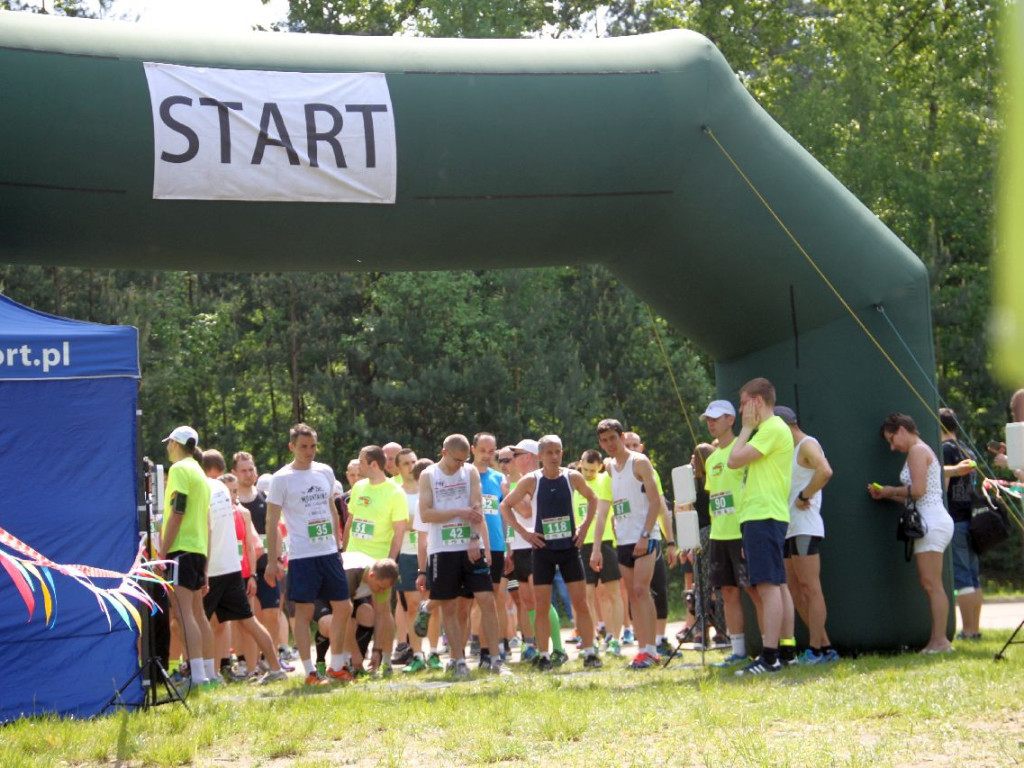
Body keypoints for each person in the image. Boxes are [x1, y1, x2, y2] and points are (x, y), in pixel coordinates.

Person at [503, 435, 602, 670]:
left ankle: (590, 652)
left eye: (558, 452)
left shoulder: (572, 477)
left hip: (569, 547)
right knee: (541, 604)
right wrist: (525, 534)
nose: (554, 457)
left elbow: (593, 498)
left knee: (581, 603)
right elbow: (505, 505)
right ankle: (544, 655)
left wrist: (584, 527)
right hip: (543, 550)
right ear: (540, 456)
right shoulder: (532, 480)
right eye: (549, 452)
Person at [265, 423, 353, 685]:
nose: (309, 451)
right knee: (303, 614)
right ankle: (310, 672)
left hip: (329, 552)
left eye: (313, 446)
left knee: (344, 607)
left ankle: (336, 665)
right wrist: (273, 560)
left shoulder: (325, 471)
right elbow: (271, 521)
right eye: (303, 447)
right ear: (292, 447)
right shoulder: (281, 478)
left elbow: (332, 508)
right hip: (302, 556)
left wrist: (338, 545)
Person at [869, 413, 954, 653]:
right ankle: (937, 640)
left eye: (892, 439)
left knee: (932, 584)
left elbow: (917, 491)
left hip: (931, 522)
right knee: (930, 583)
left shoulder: (917, 451)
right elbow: (915, 496)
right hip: (927, 520)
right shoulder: (919, 450)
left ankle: (940, 641)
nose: (892, 446)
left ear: (903, 430)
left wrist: (890, 490)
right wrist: (887, 494)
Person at [419, 434, 503, 677]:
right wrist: (457, 511)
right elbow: (426, 514)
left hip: (469, 547)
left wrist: (476, 540)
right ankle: (458, 661)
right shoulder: (429, 475)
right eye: (457, 460)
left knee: (487, 599)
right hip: (442, 549)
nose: (461, 465)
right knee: (450, 606)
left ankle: (495, 659)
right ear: (444, 453)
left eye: (465, 460)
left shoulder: (470, 473)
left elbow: (477, 509)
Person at [200, 451, 287, 685]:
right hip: (232, 570)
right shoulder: (229, 499)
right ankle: (275, 668)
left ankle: (206, 676)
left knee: (201, 622)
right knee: (249, 621)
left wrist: (202, 569)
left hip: (215, 570)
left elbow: (208, 531)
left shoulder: (205, 490)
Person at [727, 379, 795, 675]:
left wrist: (744, 429)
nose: (741, 410)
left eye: (743, 403)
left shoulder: (770, 429)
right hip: (765, 515)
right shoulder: (772, 430)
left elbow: (733, 459)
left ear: (756, 401)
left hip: (764, 515)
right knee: (777, 584)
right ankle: (786, 650)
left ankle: (770, 657)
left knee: (768, 586)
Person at [590, 419, 663, 669]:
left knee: (643, 591)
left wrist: (645, 534)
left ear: (621, 436)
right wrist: (597, 547)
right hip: (623, 539)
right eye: (604, 440)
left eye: (613, 437)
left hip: (645, 536)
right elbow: (603, 511)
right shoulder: (609, 468)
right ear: (600, 443)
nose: (610, 443)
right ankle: (642, 650)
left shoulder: (639, 462)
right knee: (632, 594)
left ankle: (652, 649)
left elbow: (655, 502)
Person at [774, 406, 838, 664]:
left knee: (810, 587)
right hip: (788, 527)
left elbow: (825, 471)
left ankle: (816, 648)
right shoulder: (787, 451)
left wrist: (805, 495)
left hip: (805, 526)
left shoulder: (807, 444)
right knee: (793, 588)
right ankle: (823, 645)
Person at [156, 426, 214, 688]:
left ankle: (197, 676)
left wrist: (162, 551)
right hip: (197, 548)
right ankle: (208, 672)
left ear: (176, 444)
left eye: (169, 443)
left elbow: (177, 511)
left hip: (181, 548)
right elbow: (205, 521)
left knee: (182, 613)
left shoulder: (180, 470)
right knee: (198, 614)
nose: (167, 447)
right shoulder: (200, 473)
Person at [344, 445, 408, 674]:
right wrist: (343, 550)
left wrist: (389, 563)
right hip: (352, 560)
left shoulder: (395, 492)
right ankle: (351, 660)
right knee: (347, 610)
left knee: (382, 610)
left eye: (361, 463)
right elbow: (351, 521)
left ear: (373, 464)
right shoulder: (359, 487)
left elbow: (399, 531)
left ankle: (384, 657)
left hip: (379, 562)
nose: (358, 467)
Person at [622, 430, 678, 656]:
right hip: (627, 541)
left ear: (641, 447)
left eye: (636, 445)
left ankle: (660, 640)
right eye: (629, 445)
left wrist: (671, 542)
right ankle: (643, 642)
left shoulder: (647, 469)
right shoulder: (614, 471)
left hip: (650, 539)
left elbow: (662, 508)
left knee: (657, 589)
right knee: (634, 593)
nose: (633, 448)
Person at [939, 408, 984, 641]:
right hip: (972, 519)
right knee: (973, 577)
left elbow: (944, 485)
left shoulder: (945, 450)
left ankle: (967, 631)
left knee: (962, 577)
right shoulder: (967, 450)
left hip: (955, 519)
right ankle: (974, 630)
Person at [575, 449, 624, 656]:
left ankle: (615, 638)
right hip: (582, 545)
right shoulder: (574, 482)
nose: (588, 474)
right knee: (586, 595)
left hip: (604, 543)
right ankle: (592, 638)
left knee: (612, 592)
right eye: (585, 469)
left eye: (592, 471)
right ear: (580, 463)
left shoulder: (605, 479)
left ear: (600, 467)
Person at [472, 432, 510, 664]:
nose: (486, 455)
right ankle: (462, 652)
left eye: (490, 451)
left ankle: (490, 652)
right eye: (482, 450)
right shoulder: (463, 476)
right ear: (473, 450)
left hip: (495, 547)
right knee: (469, 602)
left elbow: (506, 516)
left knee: (493, 601)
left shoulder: (499, 479)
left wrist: (508, 548)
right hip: (470, 547)